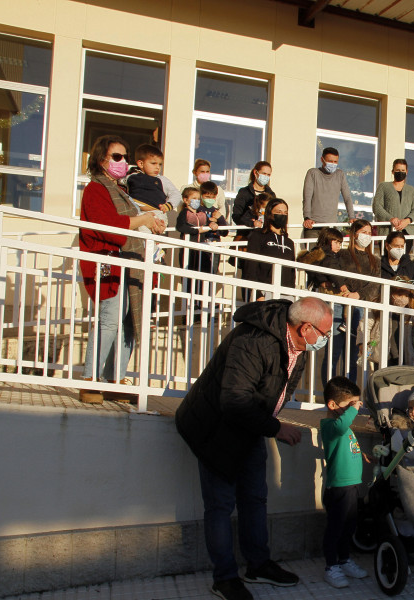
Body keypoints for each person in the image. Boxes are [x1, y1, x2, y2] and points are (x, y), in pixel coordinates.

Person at [175, 297, 333, 600]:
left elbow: (276, 390)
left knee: (255, 498)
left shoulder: (297, 346)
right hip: (216, 428)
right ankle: (224, 579)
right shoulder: (254, 340)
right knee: (220, 506)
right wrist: (276, 428)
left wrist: (267, 423)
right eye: (324, 333)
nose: (325, 340)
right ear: (306, 328)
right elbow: (234, 400)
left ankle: (258, 565)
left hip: (250, 427)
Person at [78, 134, 166, 404]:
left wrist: (148, 222)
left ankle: (115, 379)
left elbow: (127, 222)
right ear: (101, 159)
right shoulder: (96, 189)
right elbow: (110, 225)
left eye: (125, 156)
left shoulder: (121, 191)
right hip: (108, 260)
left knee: (128, 321)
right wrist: (144, 219)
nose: (123, 161)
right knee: (110, 318)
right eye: (117, 156)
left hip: (127, 260)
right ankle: (90, 379)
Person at [319, 376, 369, 589]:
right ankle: (331, 567)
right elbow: (340, 428)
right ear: (332, 405)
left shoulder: (344, 427)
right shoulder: (330, 425)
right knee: (335, 527)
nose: (354, 408)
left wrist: (364, 455)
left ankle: (344, 559)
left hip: (351, 486)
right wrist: (353, 410)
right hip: (338, 488)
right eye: (349, 404)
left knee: (349, 526)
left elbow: (347, 447)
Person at [328, 220, 380, 380]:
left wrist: (358, 295)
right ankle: (328, 392)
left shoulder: (375, 261)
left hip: (361, 307)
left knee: (351, 354)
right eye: (364, 232)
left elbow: (375, 285)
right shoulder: (342, 255)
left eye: (369, 233)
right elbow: (335, 273)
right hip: (339, 303)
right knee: (333, 352)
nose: (367, 235)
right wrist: (345, 289)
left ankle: (348, 392)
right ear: (354, 234)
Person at [243, 198, 296, 300]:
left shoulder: (289, 242)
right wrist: (257, 294)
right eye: (279, 212)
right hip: (264, 292)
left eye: (285, 213)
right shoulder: (258, 236)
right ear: (270, 214)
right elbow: (250, 267)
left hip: (286, 294)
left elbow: (292, 273)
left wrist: (292, 294)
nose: (282, 215)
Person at [303, 147, 355, 239]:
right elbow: (307, 197)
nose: (333, 164)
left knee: (330, 253)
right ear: (322, 160)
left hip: (331, 226)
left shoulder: (340, 174)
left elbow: (347, 197)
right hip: (313, 226)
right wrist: (307, 218)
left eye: (335, 162)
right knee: (313, 253)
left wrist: (352, 216)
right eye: (330, 161)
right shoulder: (313, 173)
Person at [372, 159, 414, 237]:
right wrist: (390, 218)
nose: (400, 172)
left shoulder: (412, 190)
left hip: (407, 232)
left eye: (402, 170)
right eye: (397, 170)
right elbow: (377, 207)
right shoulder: (383, 186)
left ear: (406, 172)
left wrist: (407, 220)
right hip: (387, 232)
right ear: (393, 171)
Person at [380, 231, 414, 303]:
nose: (399, 249)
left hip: (407, 310)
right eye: (396, 246)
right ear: (387, 246)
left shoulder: (411, 265)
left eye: (402, 246)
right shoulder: (378, 265)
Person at [126, 144, 171, 213]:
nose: (158, 167)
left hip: (156, 213)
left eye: (160, 164)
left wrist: (168, 205)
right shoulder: (131, 176)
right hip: (136, 211)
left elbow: (176, 194)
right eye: (153, 163)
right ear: (141, 164)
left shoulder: (161, 180)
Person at [233, 161, 274, 225]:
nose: (266, 177)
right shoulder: (244, 192)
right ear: (255, 173)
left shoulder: (271, 194)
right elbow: (236, 216)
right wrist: (251, 223)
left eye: (268, 175)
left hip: (265, 233)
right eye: (264, 173)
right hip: (247, 233)